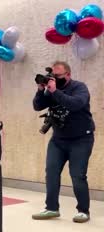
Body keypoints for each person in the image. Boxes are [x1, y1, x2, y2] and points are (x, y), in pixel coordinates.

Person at [32, 61, 95, 223]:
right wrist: (41, 90)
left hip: (81, 138)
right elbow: (37, 106)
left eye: (58, 76)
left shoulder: (79, 87)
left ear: (68, 75)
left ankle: (83, 211)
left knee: (77, 175)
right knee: (51, 173)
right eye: (52, 75)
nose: (54, 79)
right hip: (58, 139)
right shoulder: (51, 90)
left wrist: (55, 91)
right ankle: (52, 208)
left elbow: (75, 104)